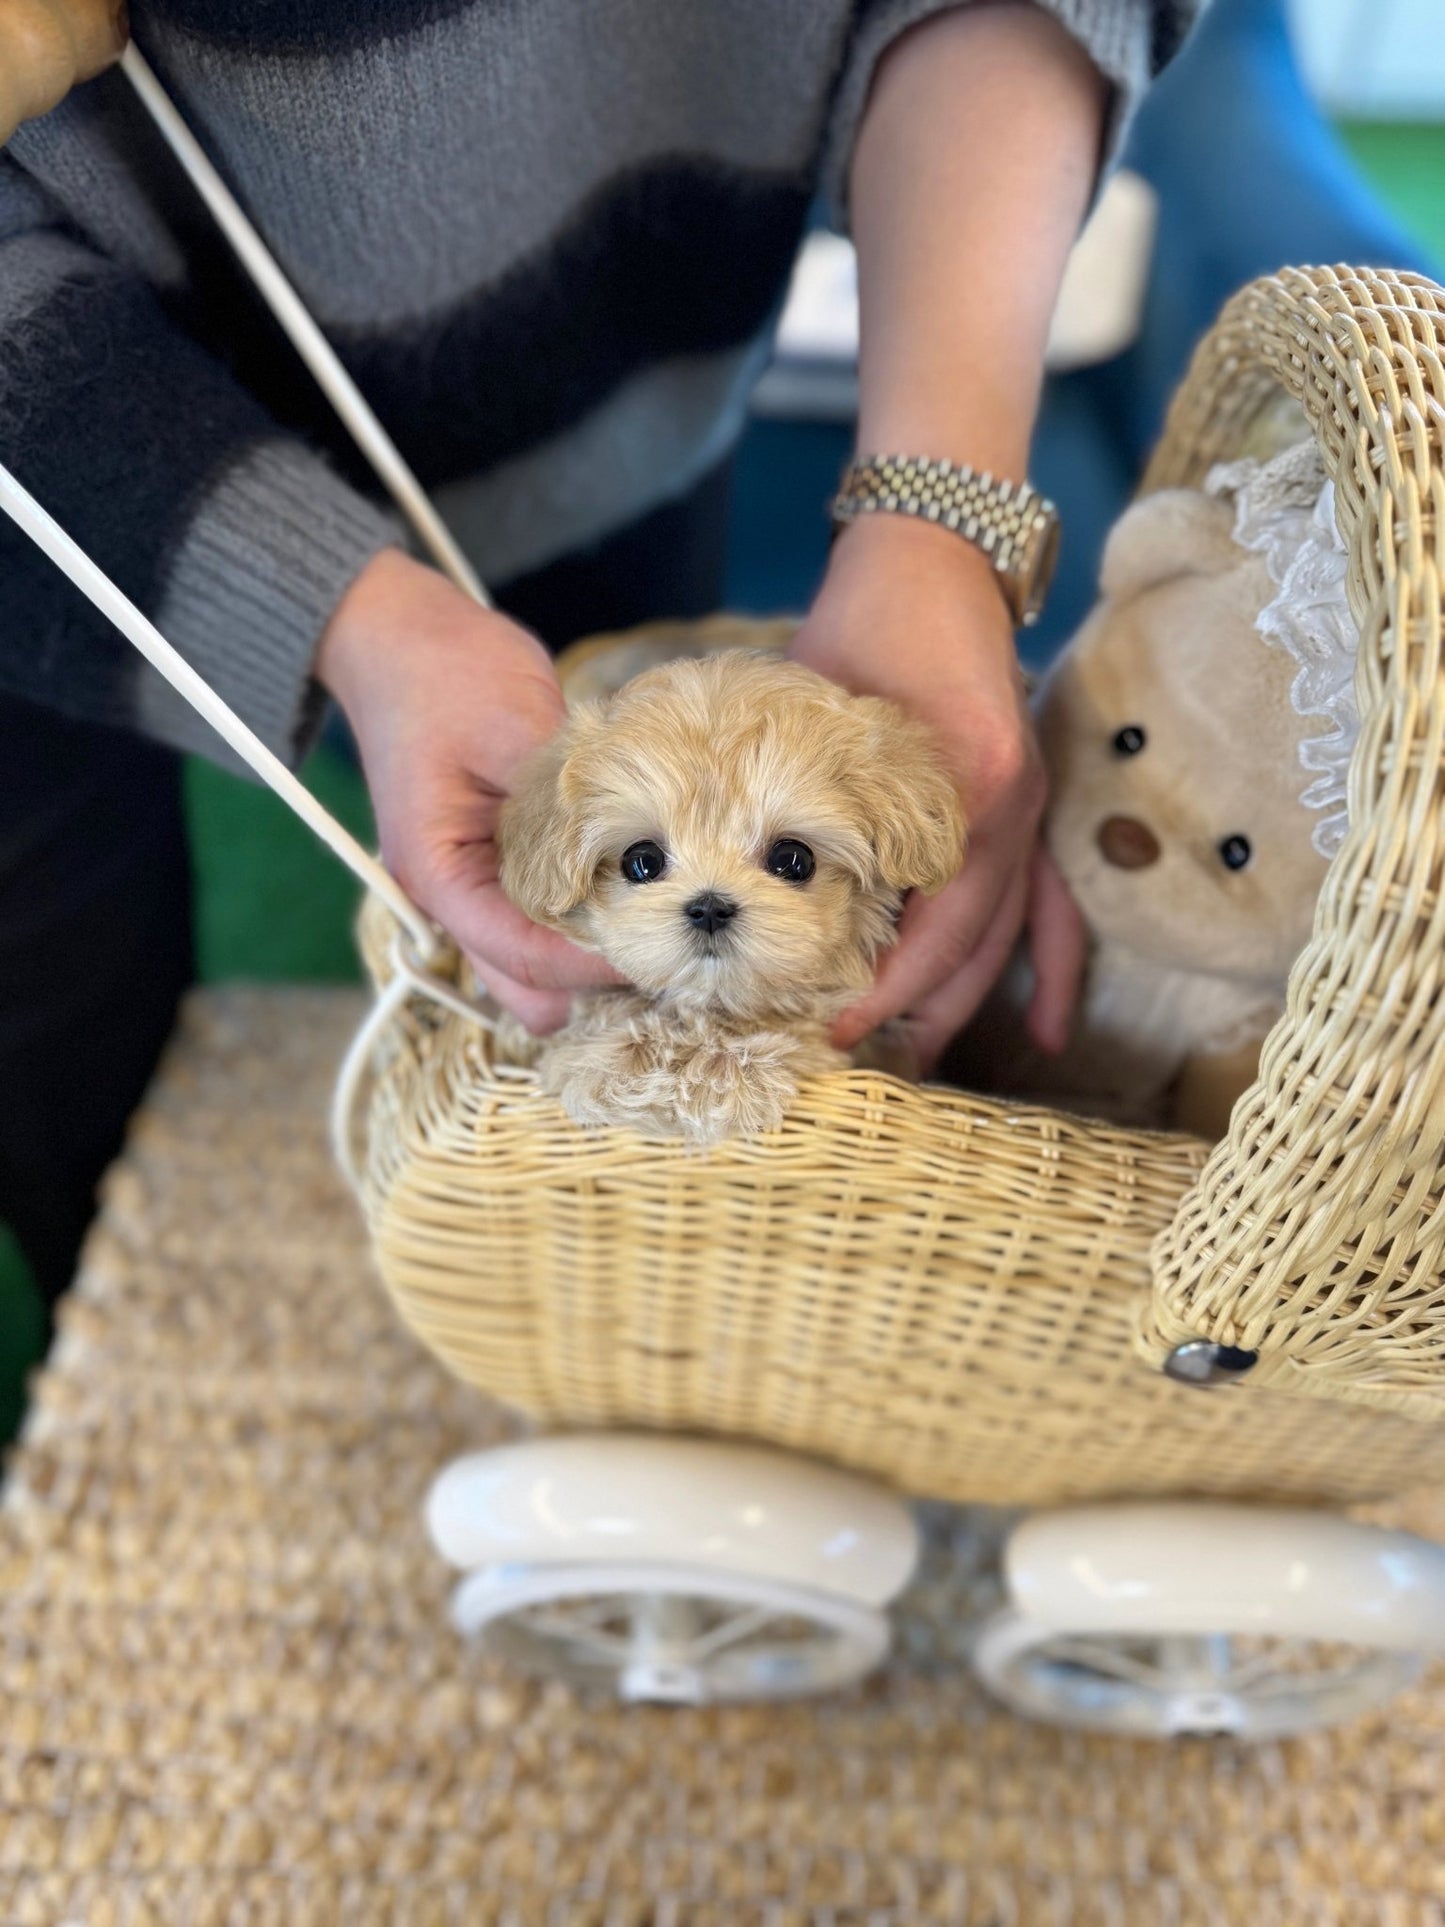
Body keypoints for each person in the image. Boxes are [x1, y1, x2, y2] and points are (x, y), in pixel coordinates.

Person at [0, 0, 1198, 1304]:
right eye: (643, 862)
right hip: (51, 441)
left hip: (626, 368)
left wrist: (939, 511)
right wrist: (344, 612)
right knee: (55, 980)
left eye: (787, 858)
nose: (704, 898)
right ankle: (117, 1308)